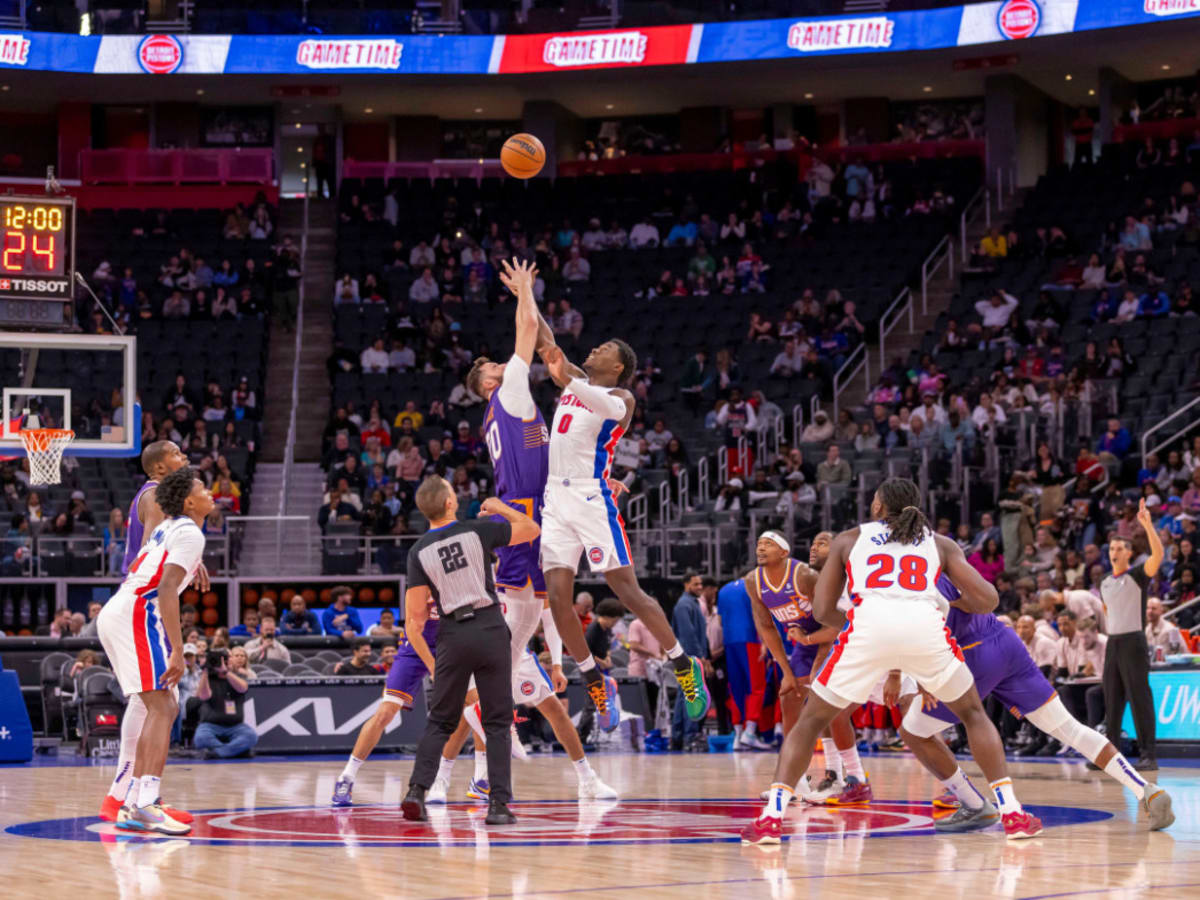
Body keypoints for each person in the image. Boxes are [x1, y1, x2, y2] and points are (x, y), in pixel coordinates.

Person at [740, 478, 1043, 844]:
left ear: (880, 507)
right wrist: (954, 604)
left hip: (868, 630)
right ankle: (1012, 813)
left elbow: (822, 610)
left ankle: (772, 818)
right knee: (973, 714)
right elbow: (990, 600)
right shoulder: (940, 543)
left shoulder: (849, 539)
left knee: (810, 722)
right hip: (924, 631)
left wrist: (858, 624)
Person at [453, 258, 617, 800]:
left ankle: (489, 720)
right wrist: (526, 289)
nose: (502, 363)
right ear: (488, 383)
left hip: (539, 508)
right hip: (527, 517)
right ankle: (483, 718)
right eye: (493, 366)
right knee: (523, 618)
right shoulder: (512, 391)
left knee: (534, 614)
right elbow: (528, 333)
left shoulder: (501, 407)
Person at [535, 313, 710, 731]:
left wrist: (564, 377)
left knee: (627, 591)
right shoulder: (576, 379)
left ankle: (683, 664)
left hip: (591, 498)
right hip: (554, 499)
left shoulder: (621, 398)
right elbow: (546, 341)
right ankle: (595, 680)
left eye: (604, 349)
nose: (593, 349)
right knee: (558, 599)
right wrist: (526, 294)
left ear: (617, 367)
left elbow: (572, 382)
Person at [899, 574, 1174, 830]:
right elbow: (987, 595)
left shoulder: (903, 576)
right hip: (1003, 638)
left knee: (915, 730)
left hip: (968, 653)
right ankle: (1146, 790)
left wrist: (923, 674)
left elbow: (930, 627)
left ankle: (981, 805)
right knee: (1070, 728)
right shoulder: (945, 554)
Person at [399, 477, 539, 826]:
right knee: (496, 722)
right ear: (450, 503)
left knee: (440, 721)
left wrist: (433, 663)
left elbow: (415, 618)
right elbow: (531, 529)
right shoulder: (478, 531)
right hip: (490, 628)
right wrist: (500, 507)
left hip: (452, 635)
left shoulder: (417, 552)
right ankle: (498, 806)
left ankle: (416, 791)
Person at [95, 466, 212, 835]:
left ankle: (134, 804)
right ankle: (144, 803)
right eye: (203, 489)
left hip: (122, 609)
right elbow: (164, 590)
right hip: (137, 614)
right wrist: (178, 649)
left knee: (157, 706)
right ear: (189, 501)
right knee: (164, 705)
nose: (211, 493)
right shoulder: (189, 532)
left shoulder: (169, 527)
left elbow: (137, 565)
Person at [1100, 499, 1163, 770]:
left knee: (1139, 698)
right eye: (1112, 548)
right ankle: (1111, 755)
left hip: (1134, 642)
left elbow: (1158, 556)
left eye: (1119, 548)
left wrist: (1147, 525)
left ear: (1128, 553)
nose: (1114, 551)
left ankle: (1148, 754)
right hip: (1113, 643)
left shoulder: (1137, 575)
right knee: (1111, 699)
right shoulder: (1103, 581)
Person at [717, 577, 771, 751]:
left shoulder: (723, 589)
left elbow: (719, 621)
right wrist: (764, 641)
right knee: (757, 686)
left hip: (729, 640)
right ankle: (750, 731)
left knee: (736, 687)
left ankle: (738, 734)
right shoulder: (754, 585)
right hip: (750, 639)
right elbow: (759, 615)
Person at [193, 646, 258, 759]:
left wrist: (226, 672)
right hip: (210, 725)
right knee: (200, 738)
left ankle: (218, 753)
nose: (223, 662)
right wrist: (205, 671)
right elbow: (203, 696)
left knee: (251, 736)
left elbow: (243, 688)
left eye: (227, 658)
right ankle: (236, 752)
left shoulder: (238, 676)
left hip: (236, 726)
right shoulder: (208, 678)